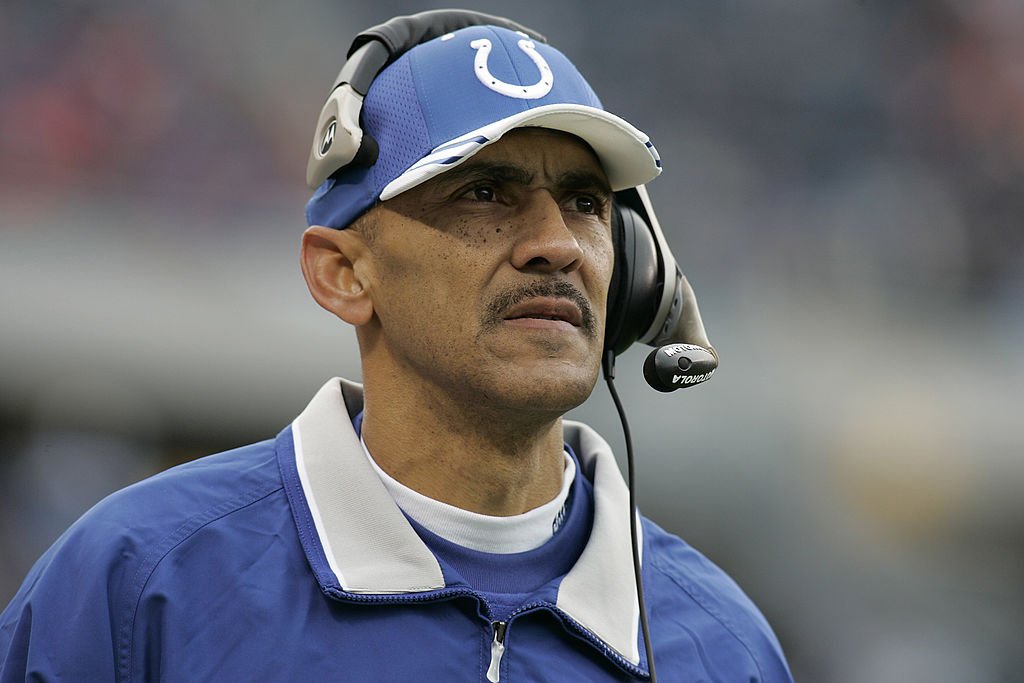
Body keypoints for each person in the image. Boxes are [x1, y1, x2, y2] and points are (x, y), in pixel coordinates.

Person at [0, 11, 793, 682]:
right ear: (343, 271)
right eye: (486, 192)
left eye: (585, 202)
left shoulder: (725, 644)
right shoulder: (138, 584)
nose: (556, 244)